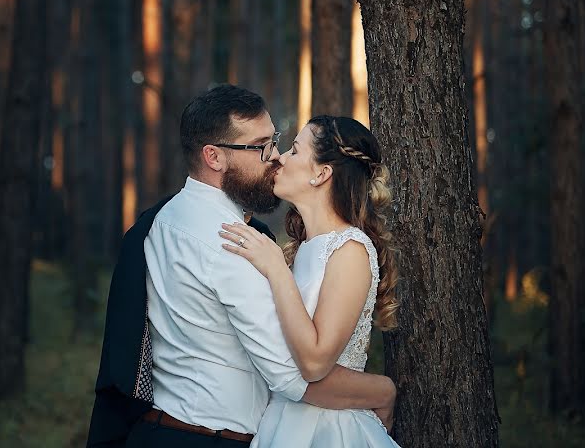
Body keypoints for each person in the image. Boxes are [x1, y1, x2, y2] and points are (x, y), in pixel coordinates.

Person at [87, 86, 396, 448]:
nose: (275, 157)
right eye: (260, 146)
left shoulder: (162, 221)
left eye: (279, 143)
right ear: (214, 157)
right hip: (207, 438)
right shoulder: (230, 241)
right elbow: (290, 375)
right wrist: (383, 390)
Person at [219, 114, 401, 447]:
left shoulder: (350, 250)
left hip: (330, 429)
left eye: (295, 151)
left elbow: (315, 362)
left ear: (321, 174)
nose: (280, 158)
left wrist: (276, 270)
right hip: (283, 420)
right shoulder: (302, 250)